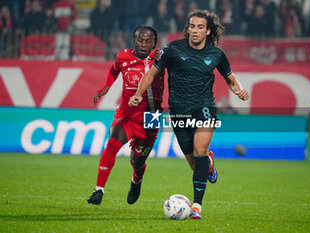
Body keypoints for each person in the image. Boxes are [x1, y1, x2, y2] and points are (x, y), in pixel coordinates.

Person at [129, 10, 249, 219]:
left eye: (200, 27)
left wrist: (238, 90)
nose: (195, 30)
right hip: (178, 111)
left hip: (204, 108)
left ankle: (196, 207)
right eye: (192, 26)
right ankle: (208, 164)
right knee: (195, 164)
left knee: (200, 150)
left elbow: (230, 78)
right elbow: (151, 74)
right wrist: (138, 94)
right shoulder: (173, 49)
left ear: (207, 30)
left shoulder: (216, 54)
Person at [87, 25, 164, 205]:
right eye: (140, 40)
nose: (144, 44)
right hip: (127, 113)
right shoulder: (123, 56)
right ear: (134, 40)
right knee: (113, 141)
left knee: (137, 161)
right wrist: (104, 88)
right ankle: (99, 189)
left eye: (148, 41)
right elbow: (113, 70)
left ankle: (136, 179)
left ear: (154, 43)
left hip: (150, 118)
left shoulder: (161, 58)